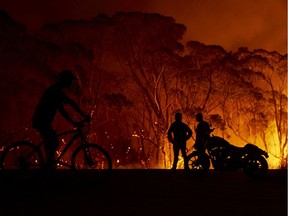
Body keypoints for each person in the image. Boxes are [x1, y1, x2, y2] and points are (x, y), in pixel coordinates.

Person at [32, 69, 86, 170]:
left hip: (44, 121)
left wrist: (73, 122)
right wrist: (83, 115)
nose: (70, 82)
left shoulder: (56, 91)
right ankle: (49, 166)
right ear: (64, 80)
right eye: (69, 80)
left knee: (52, 143)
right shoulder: (55, 91)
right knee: (53, 142)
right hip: (41, 120)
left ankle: (49, 165)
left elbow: (62, 111)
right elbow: (71, 103)